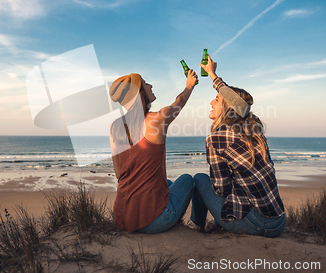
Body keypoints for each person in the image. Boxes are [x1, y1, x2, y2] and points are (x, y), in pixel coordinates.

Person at [190, 55, 285, 237]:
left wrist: (212, 73)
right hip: (279, 222)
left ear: (227, 107)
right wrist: (212, 75)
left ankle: (198, 229)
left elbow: (221, 189)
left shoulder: (217, 138)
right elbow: (242, 107)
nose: (211, 102)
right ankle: (211, 224)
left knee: (200, 179)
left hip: (255, 224)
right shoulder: (253, 127)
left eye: (216, 100)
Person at [109, 70, 198, 233]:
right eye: (145, 83)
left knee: (169, 184)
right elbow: (180, 101)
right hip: (155, 221)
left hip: (123, 219)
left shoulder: (115, 126)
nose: (150, 85)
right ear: (139, 93)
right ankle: (197, 225)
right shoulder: (157, 119)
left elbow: (118, 172)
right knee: (188, 179)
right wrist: (189, 86)